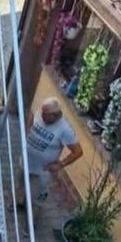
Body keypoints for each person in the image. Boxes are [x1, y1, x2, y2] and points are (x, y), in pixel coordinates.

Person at [14, 97, 82, 230]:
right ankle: (20, 204)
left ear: (55, 115)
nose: (42, 116)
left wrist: (60, 164)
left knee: (38, 198)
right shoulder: (41, 113)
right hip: (26, 161)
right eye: (42, 113)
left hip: (42, 171)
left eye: (45, 115)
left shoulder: (65, 129)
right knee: (20, 184)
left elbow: (78, 152)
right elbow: (31, 116)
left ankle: (31, 223)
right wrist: (29, 127)